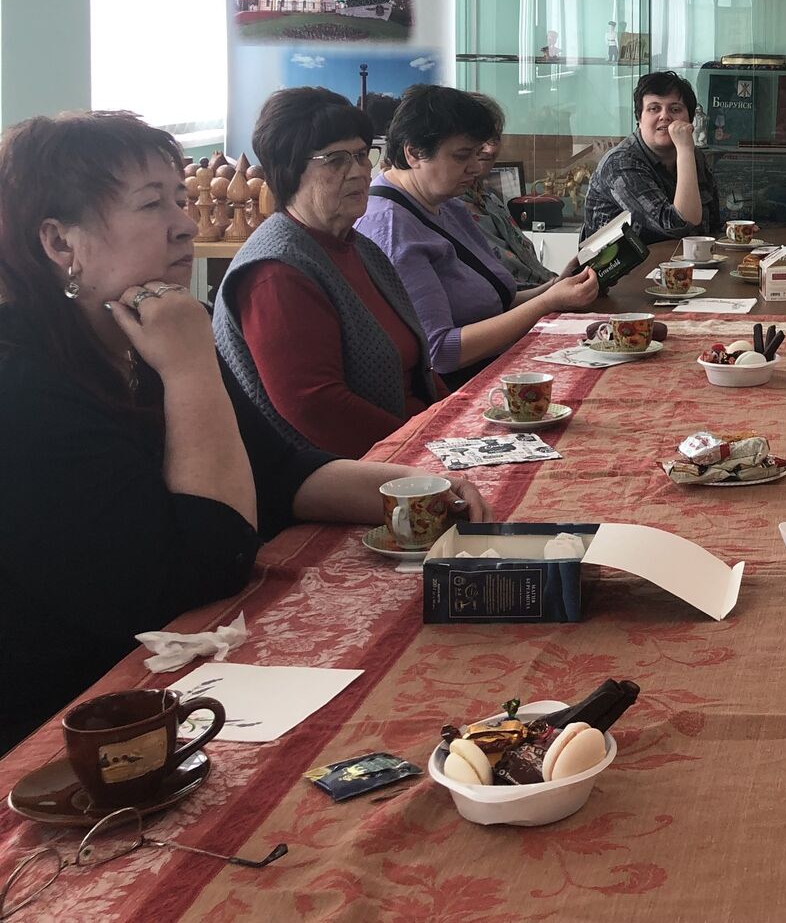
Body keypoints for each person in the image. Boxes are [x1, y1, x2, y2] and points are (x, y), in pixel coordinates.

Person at [0, 110, 489, 751]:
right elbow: (206, 567)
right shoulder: (24, 386)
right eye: (151, 204)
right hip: (74, 721)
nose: (184, 222)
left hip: (181, 671)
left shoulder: (146, 331)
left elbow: (280, 468)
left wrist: (413, 487)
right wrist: (190, 370)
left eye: (179, 197)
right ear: (60, 243)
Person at [212, 88, 441, 459]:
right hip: (355, 469)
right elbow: (317, 409)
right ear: (290, 171)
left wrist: (457, 419)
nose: (360, 171)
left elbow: (419, 370)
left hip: (412, 443)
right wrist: (429, 447)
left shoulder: (357, 246)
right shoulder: (276, 273)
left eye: (362, 155)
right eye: (336, 160)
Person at [354, 85, 598, 389]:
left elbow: (496, 301)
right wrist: (547, 302)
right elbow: (440, 352)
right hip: (462, 387)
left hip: (500, 366)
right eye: (461, 156)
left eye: (476, 152)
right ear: (414, 152)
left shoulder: (447, 204)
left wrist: (555, 287)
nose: (475, 167)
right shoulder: (391, 228)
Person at [582, 71, 717, 245]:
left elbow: (712, 227)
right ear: (639, 118)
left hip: (683, 260)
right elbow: (679, 225)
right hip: (625, 263)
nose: (665, 116)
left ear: (690, 120)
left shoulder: (695, 157)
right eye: (654, 108)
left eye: (675, 109)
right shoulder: (620, 163)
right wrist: (684, 149)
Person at [461, 93, 557, 288]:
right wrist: (555, 290)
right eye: (478, 139)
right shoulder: (444, 211)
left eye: (495, 138)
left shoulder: (490, 201)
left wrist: (562, 283)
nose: (489, 149)